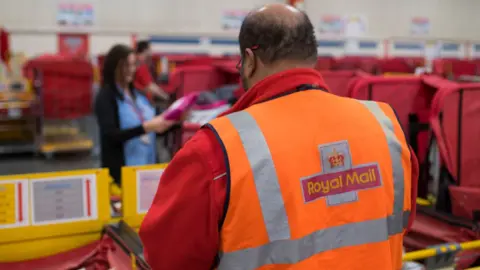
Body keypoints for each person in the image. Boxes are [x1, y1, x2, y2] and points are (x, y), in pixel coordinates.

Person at [140, 4, 419, 270]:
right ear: (312, 57)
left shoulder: (217, 149)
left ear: (249, 61)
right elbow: (401, 223)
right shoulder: (385, 126)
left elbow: (166, 258)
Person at [94, 44, 175, 191]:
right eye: (126, 66)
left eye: (133, 65)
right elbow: (111, 135)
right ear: (115, 68)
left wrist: (172, 121)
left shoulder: (137, 95)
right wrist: (146, 128)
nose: (131, 70)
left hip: (147, 168)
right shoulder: (106, 97)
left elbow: (153, 128)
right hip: (122, 174)